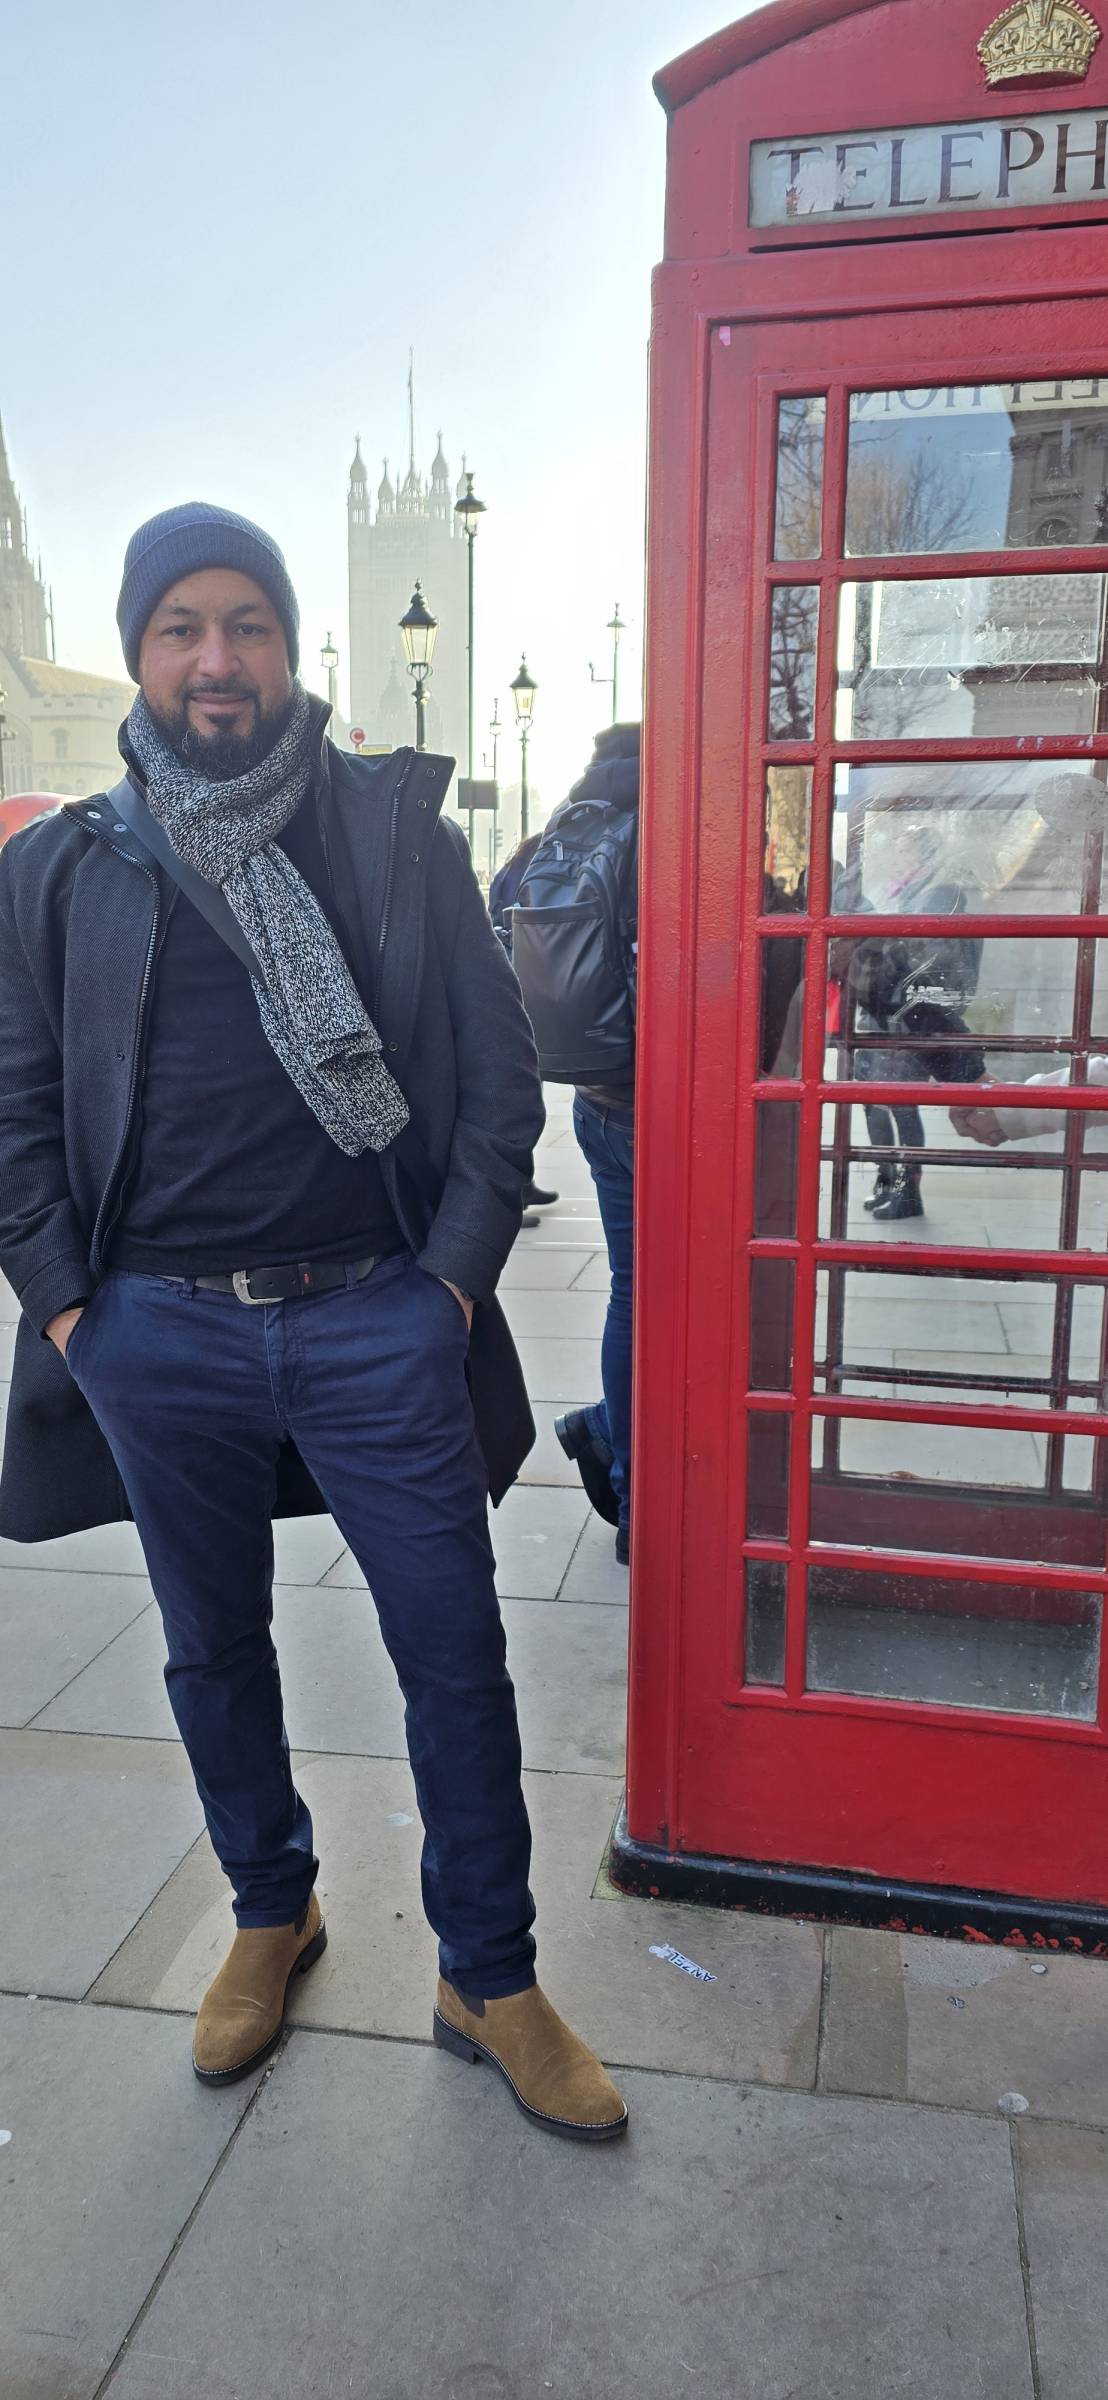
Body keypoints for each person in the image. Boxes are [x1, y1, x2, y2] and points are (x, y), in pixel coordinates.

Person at [0, 502, 627, 2143]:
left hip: (373, 1322)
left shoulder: (394, 837)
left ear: (289, 646)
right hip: (156, 1334)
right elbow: (14, 1107)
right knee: (210, 1646)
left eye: (247, 624)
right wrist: (70, 1306)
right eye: (182, 627)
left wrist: (448, 1291)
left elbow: (498, 1094)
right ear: (141, 651)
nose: (218, 658)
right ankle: (270, 1910)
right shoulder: (61, 867)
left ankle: (486, 1971)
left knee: (454, 1657)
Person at [508, 725, 639, 1566]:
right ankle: (612, 1440)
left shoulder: (559, 830)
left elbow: (497, 924)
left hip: (596, 1099)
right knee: (688, 1298)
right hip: (672, 1103)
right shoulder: (665, 826)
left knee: (633, 1294)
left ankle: (630, 1479)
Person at [488, 833, 558, 1215]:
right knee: (522, 1091)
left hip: (510, 982)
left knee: (519, 1088)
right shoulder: (545, 862)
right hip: (537, 985)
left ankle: (520, 1183)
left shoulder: (512, 866)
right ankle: (513, 1188)